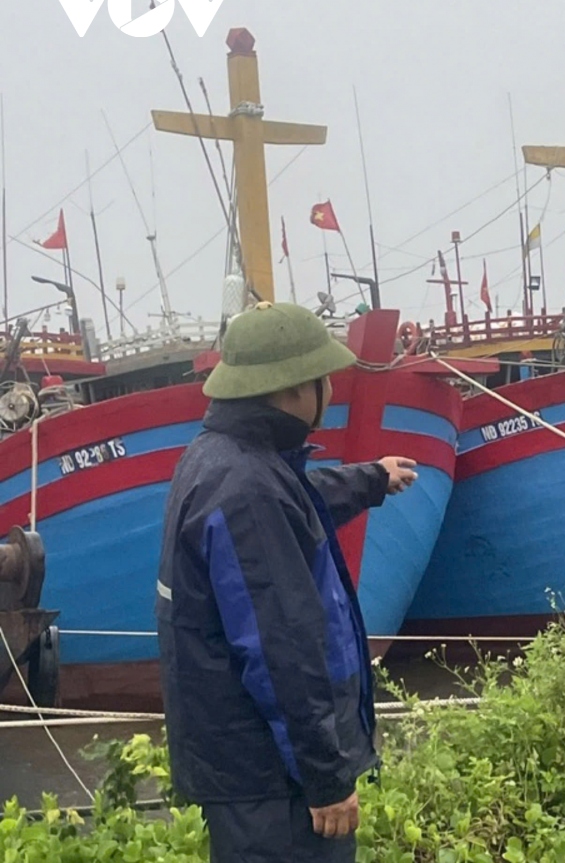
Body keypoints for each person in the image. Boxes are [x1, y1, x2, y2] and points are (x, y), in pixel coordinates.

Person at [155, 301, 418, 862]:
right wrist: (325, 778)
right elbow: (282, 653)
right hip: (277, 786)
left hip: (252, 774)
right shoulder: (247, 489)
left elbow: (295, 501)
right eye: (321, 377)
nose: (329, 387)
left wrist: (370, 479)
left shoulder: (224, 460)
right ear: (292, 389)